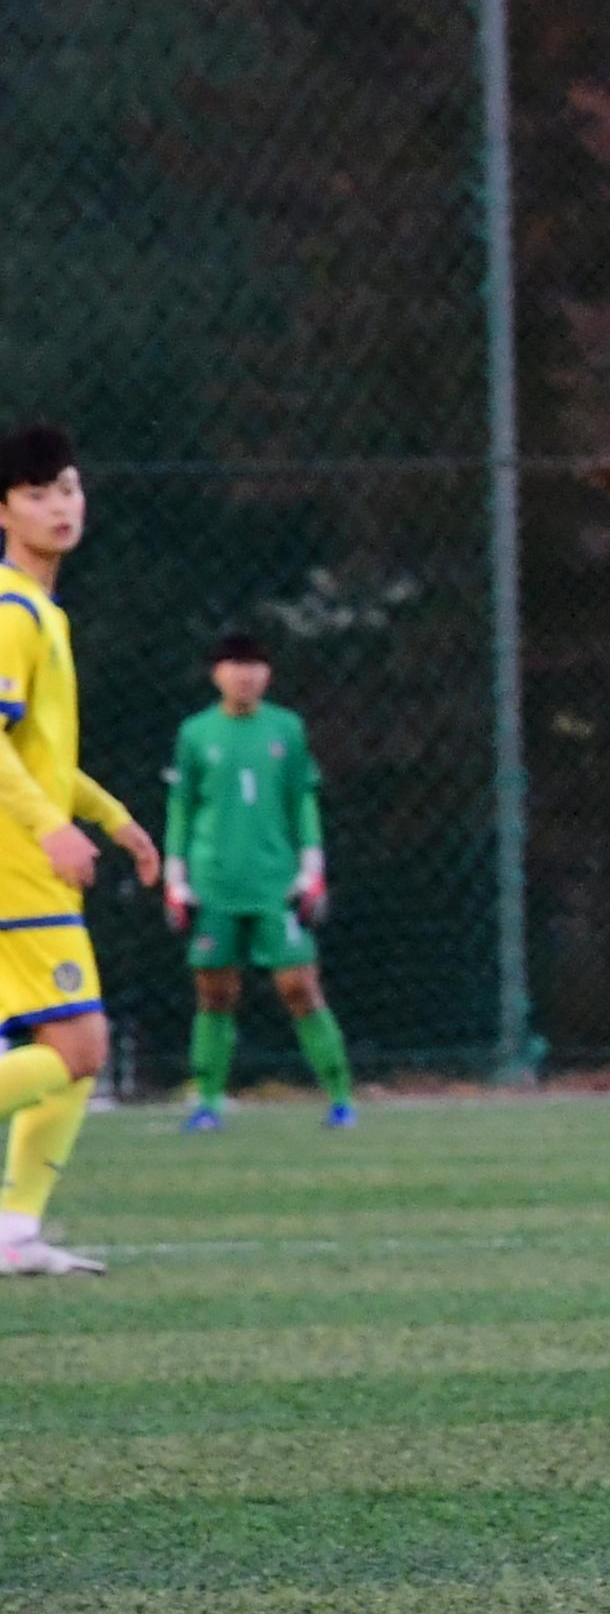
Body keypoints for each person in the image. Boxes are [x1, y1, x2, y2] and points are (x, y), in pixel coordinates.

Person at [0, 426, 161, 1279]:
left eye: (66, 487)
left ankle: (16, 1232)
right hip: (15, 867)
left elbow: (41, 753)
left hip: (28, 858)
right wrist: (49, 827)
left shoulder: (41, 609)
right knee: (80, 1050)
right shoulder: (10, 611)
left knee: (70, 1054)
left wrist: (109, 816)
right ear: (3, 511)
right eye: (36, 494)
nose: (59, 506)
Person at [166, 633, 357, 1132]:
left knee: (300, 986)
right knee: (214, 993)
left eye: (254, 665)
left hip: (275, 883)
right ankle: (208, 1100)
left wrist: (312, 868)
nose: (245, 675)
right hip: (214, 883)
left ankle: (340, 1099)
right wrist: (175, 875)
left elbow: (302, 798)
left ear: (267, 675)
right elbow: (182, 806)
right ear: (217, 674)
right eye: (234, 665)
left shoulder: (286, 729)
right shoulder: (196, 734)